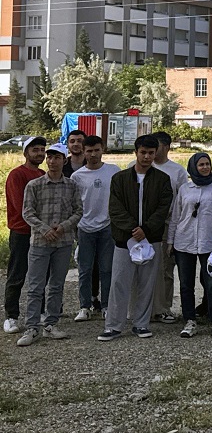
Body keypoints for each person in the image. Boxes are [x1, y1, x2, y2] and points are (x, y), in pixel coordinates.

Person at [99, 135, 173, 341]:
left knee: (147, 283)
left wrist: (146, 229)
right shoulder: (120, 179)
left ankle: (141, 324)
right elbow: (115, 208)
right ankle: (113, 325)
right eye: (143, 152)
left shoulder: (162, 179)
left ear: (155, 153)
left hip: (151, 239)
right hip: (125, 240)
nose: (147, 157)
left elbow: (163, 208)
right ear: (136, 152)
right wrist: (133, 229)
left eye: (151, 153)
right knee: (119, 283)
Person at [15, 143, 82, 347]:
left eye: (57, 157)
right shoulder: (34, 185)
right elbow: (27, 212)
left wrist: (63, 227)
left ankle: (51, 324)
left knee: (56, 285)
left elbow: (78, 210)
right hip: (39, 242)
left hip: (63, 242)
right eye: (49, 157)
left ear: (64, 160)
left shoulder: (71, 185)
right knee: (36, 286)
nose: (52, 161)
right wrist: (45, 229)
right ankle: (32, 327)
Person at [167, 153, 212, 340]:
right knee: (186, 284)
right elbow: (176, 216)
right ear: (193, 167)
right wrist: (170, 241)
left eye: (207, 164)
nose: (205, 167)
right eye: (201, 164)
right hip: (184, 241)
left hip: (208, 242)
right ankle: (189, 320)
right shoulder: (185, 189)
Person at [72, 135, 119, 321]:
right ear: (84, 152)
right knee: (85, 269)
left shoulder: (114, 171)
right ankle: (85, 306)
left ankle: (107, 305)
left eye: (96, 150)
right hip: (84, 227)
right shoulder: (77, 176)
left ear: (103, 149)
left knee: (107, 268)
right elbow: (74, 204)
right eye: (89, 151)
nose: (93, 154)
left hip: (107, 226)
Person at [149, 131, 193, 325]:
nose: (151, 151)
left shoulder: (177, 171)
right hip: (146, 224)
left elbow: (183, 198)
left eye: (156, 146)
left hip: (168, 223)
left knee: (166, 268)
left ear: (166, 147)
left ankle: (164, 307)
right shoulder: (141, 166)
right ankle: (145, 308)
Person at [4, 137, 45, 334]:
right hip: (22, 232)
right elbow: (22, 206)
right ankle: (11, 316)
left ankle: (41, 312)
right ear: (26, 152)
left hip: (42, 233)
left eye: (42, 150)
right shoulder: (17, 175)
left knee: (41, 275)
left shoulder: (43, 174)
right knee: (17, 274)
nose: (40, 153)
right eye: (35, 149)